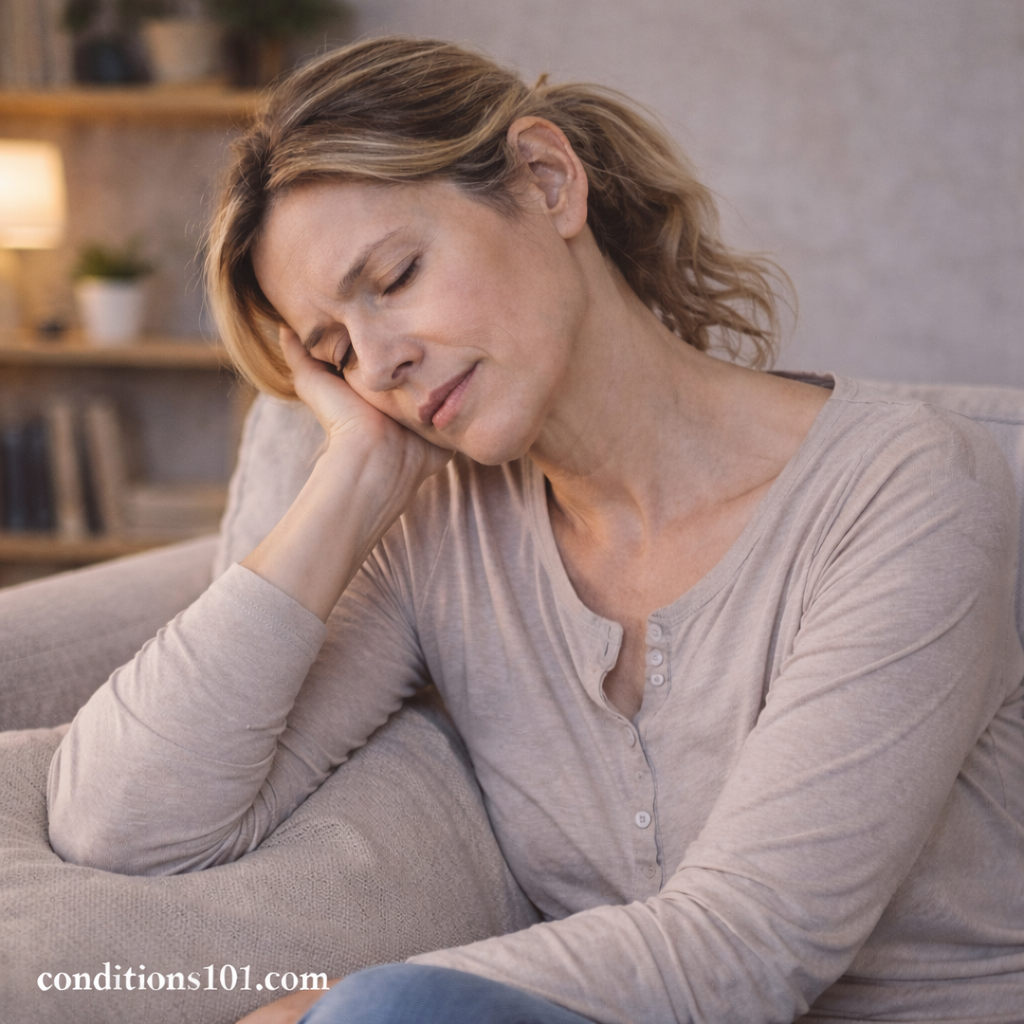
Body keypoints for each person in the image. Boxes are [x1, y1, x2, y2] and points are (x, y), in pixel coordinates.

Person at [47, 35, 1024, 1024]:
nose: (378, 363)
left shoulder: (910, 487)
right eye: (335, 350)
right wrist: (353, 471)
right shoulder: (442, 532)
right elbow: (122, 824)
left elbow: (752, 942)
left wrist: (336, 1007)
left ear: (547, 180)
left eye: (394, 275)